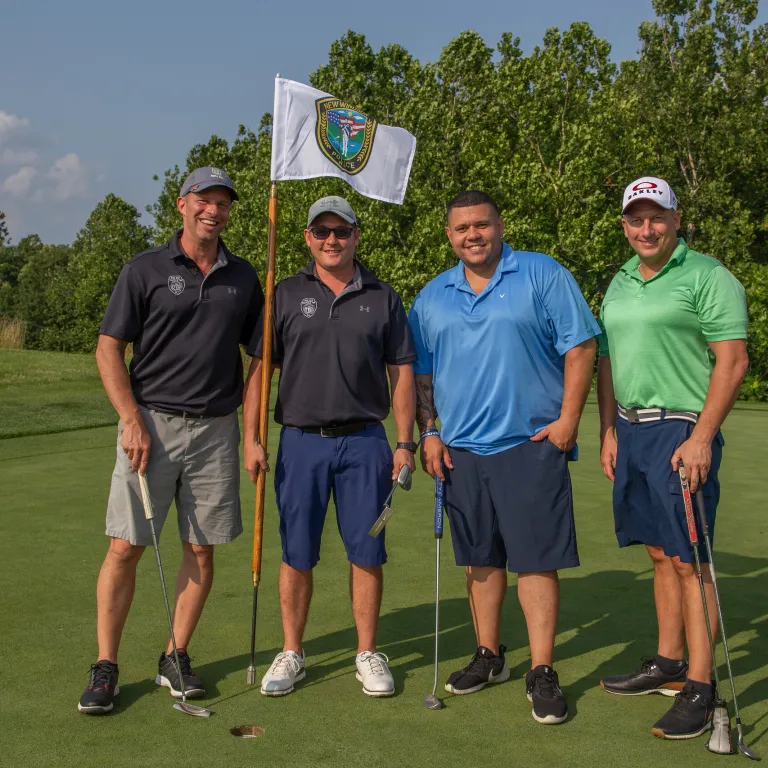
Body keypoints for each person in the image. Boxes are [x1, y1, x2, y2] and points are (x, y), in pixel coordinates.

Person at [408, 190, 599, 725]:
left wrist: (568, 421)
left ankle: (542, 670)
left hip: (529, 444)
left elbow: (581, 347)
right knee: (480, 559)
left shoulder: (541, 274)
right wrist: (429, 431)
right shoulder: (432, 296)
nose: (473, 235)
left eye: (482, 225)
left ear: (500, 225)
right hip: (461, 449)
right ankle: (489, 655)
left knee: (536, 560)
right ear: (449, 235)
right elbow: (421, 372)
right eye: (461, 228)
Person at [78, 167, 264, 714]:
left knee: (201, 550)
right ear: (182, 205)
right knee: (125, 547)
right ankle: (106, 665)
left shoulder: (244, 277)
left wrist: (251, 434)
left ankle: (174, 655)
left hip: (216, 429)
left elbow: (260, 360)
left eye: (223, 203)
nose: (214, 210)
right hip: (150, 426)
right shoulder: (145, 269)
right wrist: (129, 418)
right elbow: (109, 347)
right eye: (204, 200)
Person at [244, 195, 416, 698]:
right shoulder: (285, 292)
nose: (332, 240)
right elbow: (259, 370)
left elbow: (400, 372)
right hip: (301, 443)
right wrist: (252, 438)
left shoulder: (382, 296)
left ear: (357, 236)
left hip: (366, 443)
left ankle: (367, 651)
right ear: (307, 238)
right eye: (322, 232)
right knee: (297, 552)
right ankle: (292, 651)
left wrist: (404, 443)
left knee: (368, 549)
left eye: (341, 231)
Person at [597, 177, 749, 739]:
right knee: (660, 553)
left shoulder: (708, 275)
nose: (646, 228)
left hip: (681, 429)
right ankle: (668, 661)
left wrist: (703, 435)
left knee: (690, 561)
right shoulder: (619, 280)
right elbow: (608, 359)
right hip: (633, 432)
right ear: (625, 226)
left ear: (676, 218)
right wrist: (609, 427)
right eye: (635, 219)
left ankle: (702, 685)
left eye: (656, 216)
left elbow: (732, 360)